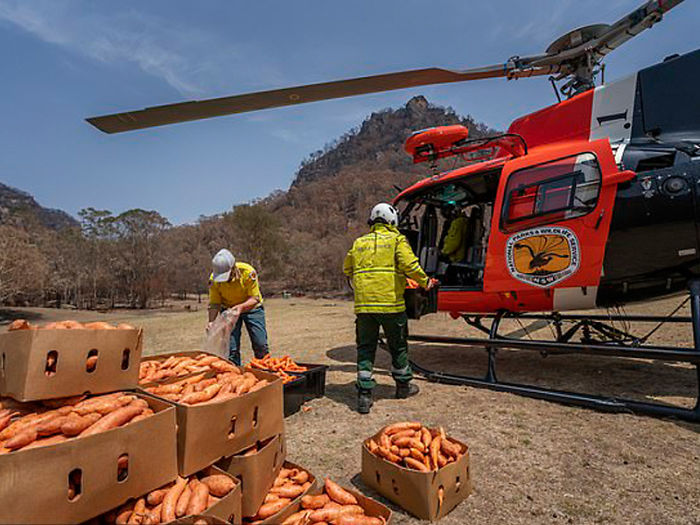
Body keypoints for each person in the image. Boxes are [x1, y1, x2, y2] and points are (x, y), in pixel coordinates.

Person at [343, 203, 434, 414]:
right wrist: (426, 281)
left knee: (365, 348)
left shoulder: (359, 243)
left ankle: (364, 395)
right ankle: (403, 386)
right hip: (392, 306)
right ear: (392, 220)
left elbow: (346, 268)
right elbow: (410, 266)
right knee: (398, 345)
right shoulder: (397, 240)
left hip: (365, 308)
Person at [208, 248, 270, 365]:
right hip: (228, 311)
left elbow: (255, 298)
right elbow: (215, 303)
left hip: (252, 308)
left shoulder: (247, 272)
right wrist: (211, 322)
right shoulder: (214, 280)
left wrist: (240, 308)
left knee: (260, 344)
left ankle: (265, 369)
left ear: (233, 268)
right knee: (231, 349)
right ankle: (235, 373)